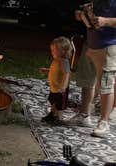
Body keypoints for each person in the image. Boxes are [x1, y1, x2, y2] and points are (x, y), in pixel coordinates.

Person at [68, 0, 116, 137]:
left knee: (106, 85)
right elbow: (89, 11)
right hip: (91, 44)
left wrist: (106, 21)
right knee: (87, 81)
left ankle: (104, 123)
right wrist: (81, 15)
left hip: (110, 46)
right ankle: (84, 115)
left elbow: (106, 19)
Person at [39, 36, 73, 123]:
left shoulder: (64, 62)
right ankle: (53, 114)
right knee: (52, 101)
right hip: (54, 87)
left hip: (60, 88)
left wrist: (64, 86)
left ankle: (58, 117)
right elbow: (56, 70)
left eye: (55, 50)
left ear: (63, 51)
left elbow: (66, 74)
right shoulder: (56, 60)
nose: (52, 52)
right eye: (52, 50)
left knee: (59, 104)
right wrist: (47, 70)